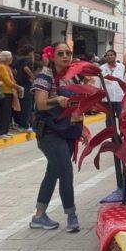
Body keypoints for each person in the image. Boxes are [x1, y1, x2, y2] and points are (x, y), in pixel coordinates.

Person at [30, 42, 84, 232]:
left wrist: (81, 128)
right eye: (60, 53)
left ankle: (39, 216)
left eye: (68, 53)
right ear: (52, 56)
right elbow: (41, 104)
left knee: (53, 172)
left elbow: (77, 104)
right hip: (50, 133)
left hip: (68, 131)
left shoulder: (73, 76)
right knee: (65, 172)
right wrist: (57, 100)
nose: (65, 56)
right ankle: (71, 216)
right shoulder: (44, 77)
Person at [100, 49, 126, 128]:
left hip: (120, 98)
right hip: (107, 99)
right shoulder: (101, 68)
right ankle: (113, 135)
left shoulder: (122, 67)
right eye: (107, 55)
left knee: (121, 118)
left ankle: (122, 134)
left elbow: (125, 81)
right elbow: (98, 83)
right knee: (109, 120)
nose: (109, 57)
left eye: (111, 55)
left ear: (115, 56)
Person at [12, 45, 36, 130]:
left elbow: (14, 70)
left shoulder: (18, 59)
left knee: (20, 103)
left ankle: (18, 121)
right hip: (26, 83)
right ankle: (24, 124)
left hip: (19, 83)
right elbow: (26, 68)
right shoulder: (28, 59)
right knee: (27, 104)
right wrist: (33, 77)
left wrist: (17, 76)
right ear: (30, 52)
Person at [0, 51, 17, 139]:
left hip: (9, 91)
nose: (11, 59)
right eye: (10, 57)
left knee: (7, 113)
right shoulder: (1, 67)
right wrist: (17, 87)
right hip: (4, 92)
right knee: (4, 112)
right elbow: (7, 80)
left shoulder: (6, 67)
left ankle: (5, 131)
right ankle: (0, 132)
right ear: (7, 58)